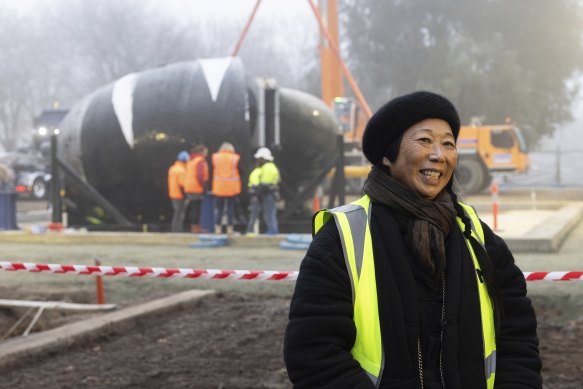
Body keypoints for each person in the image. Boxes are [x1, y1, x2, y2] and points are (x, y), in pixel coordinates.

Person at [284, 91, 542, 388]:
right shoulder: (341, 240)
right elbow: (314, 354)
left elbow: (518, 339)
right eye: (424, 140)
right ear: (387, 154)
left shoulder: (478, 238)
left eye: (448, 143)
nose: (439, 154)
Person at [246, 147, 281, 235]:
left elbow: (265, 184)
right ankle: (273, 230)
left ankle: (272, 230)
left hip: (268, 194)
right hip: (271, 193)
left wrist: (257, 194)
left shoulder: (266, 168)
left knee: (268, 213)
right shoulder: (272, 167)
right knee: (270, 213)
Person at [212, 142, 241, 234]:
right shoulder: (235, 158)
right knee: (230, 209)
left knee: (219, 209)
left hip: (219, 188)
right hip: (231, 188)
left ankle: (217, 228)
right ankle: (229, 229)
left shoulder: (216, 157)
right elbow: (241, 170)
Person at [184, 144, 209, 233]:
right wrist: (204, 186)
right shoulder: (200, 161)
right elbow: (199, 175)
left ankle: (194, 227)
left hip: (189, 186)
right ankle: (196, 228)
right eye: (206, 152)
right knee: (196, 208)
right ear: (201, 152)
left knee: (194, 207)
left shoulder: (191, 160)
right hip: (196, 187)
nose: (207, 154)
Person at [167, 151, 189, 232]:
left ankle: (175, 230)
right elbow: (183, 184)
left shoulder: (172, 168)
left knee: (176, 213)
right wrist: (187, 196)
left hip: (173, 194)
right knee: (179, 214)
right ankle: (178, 231)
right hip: (180, 195)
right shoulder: (181, 170)